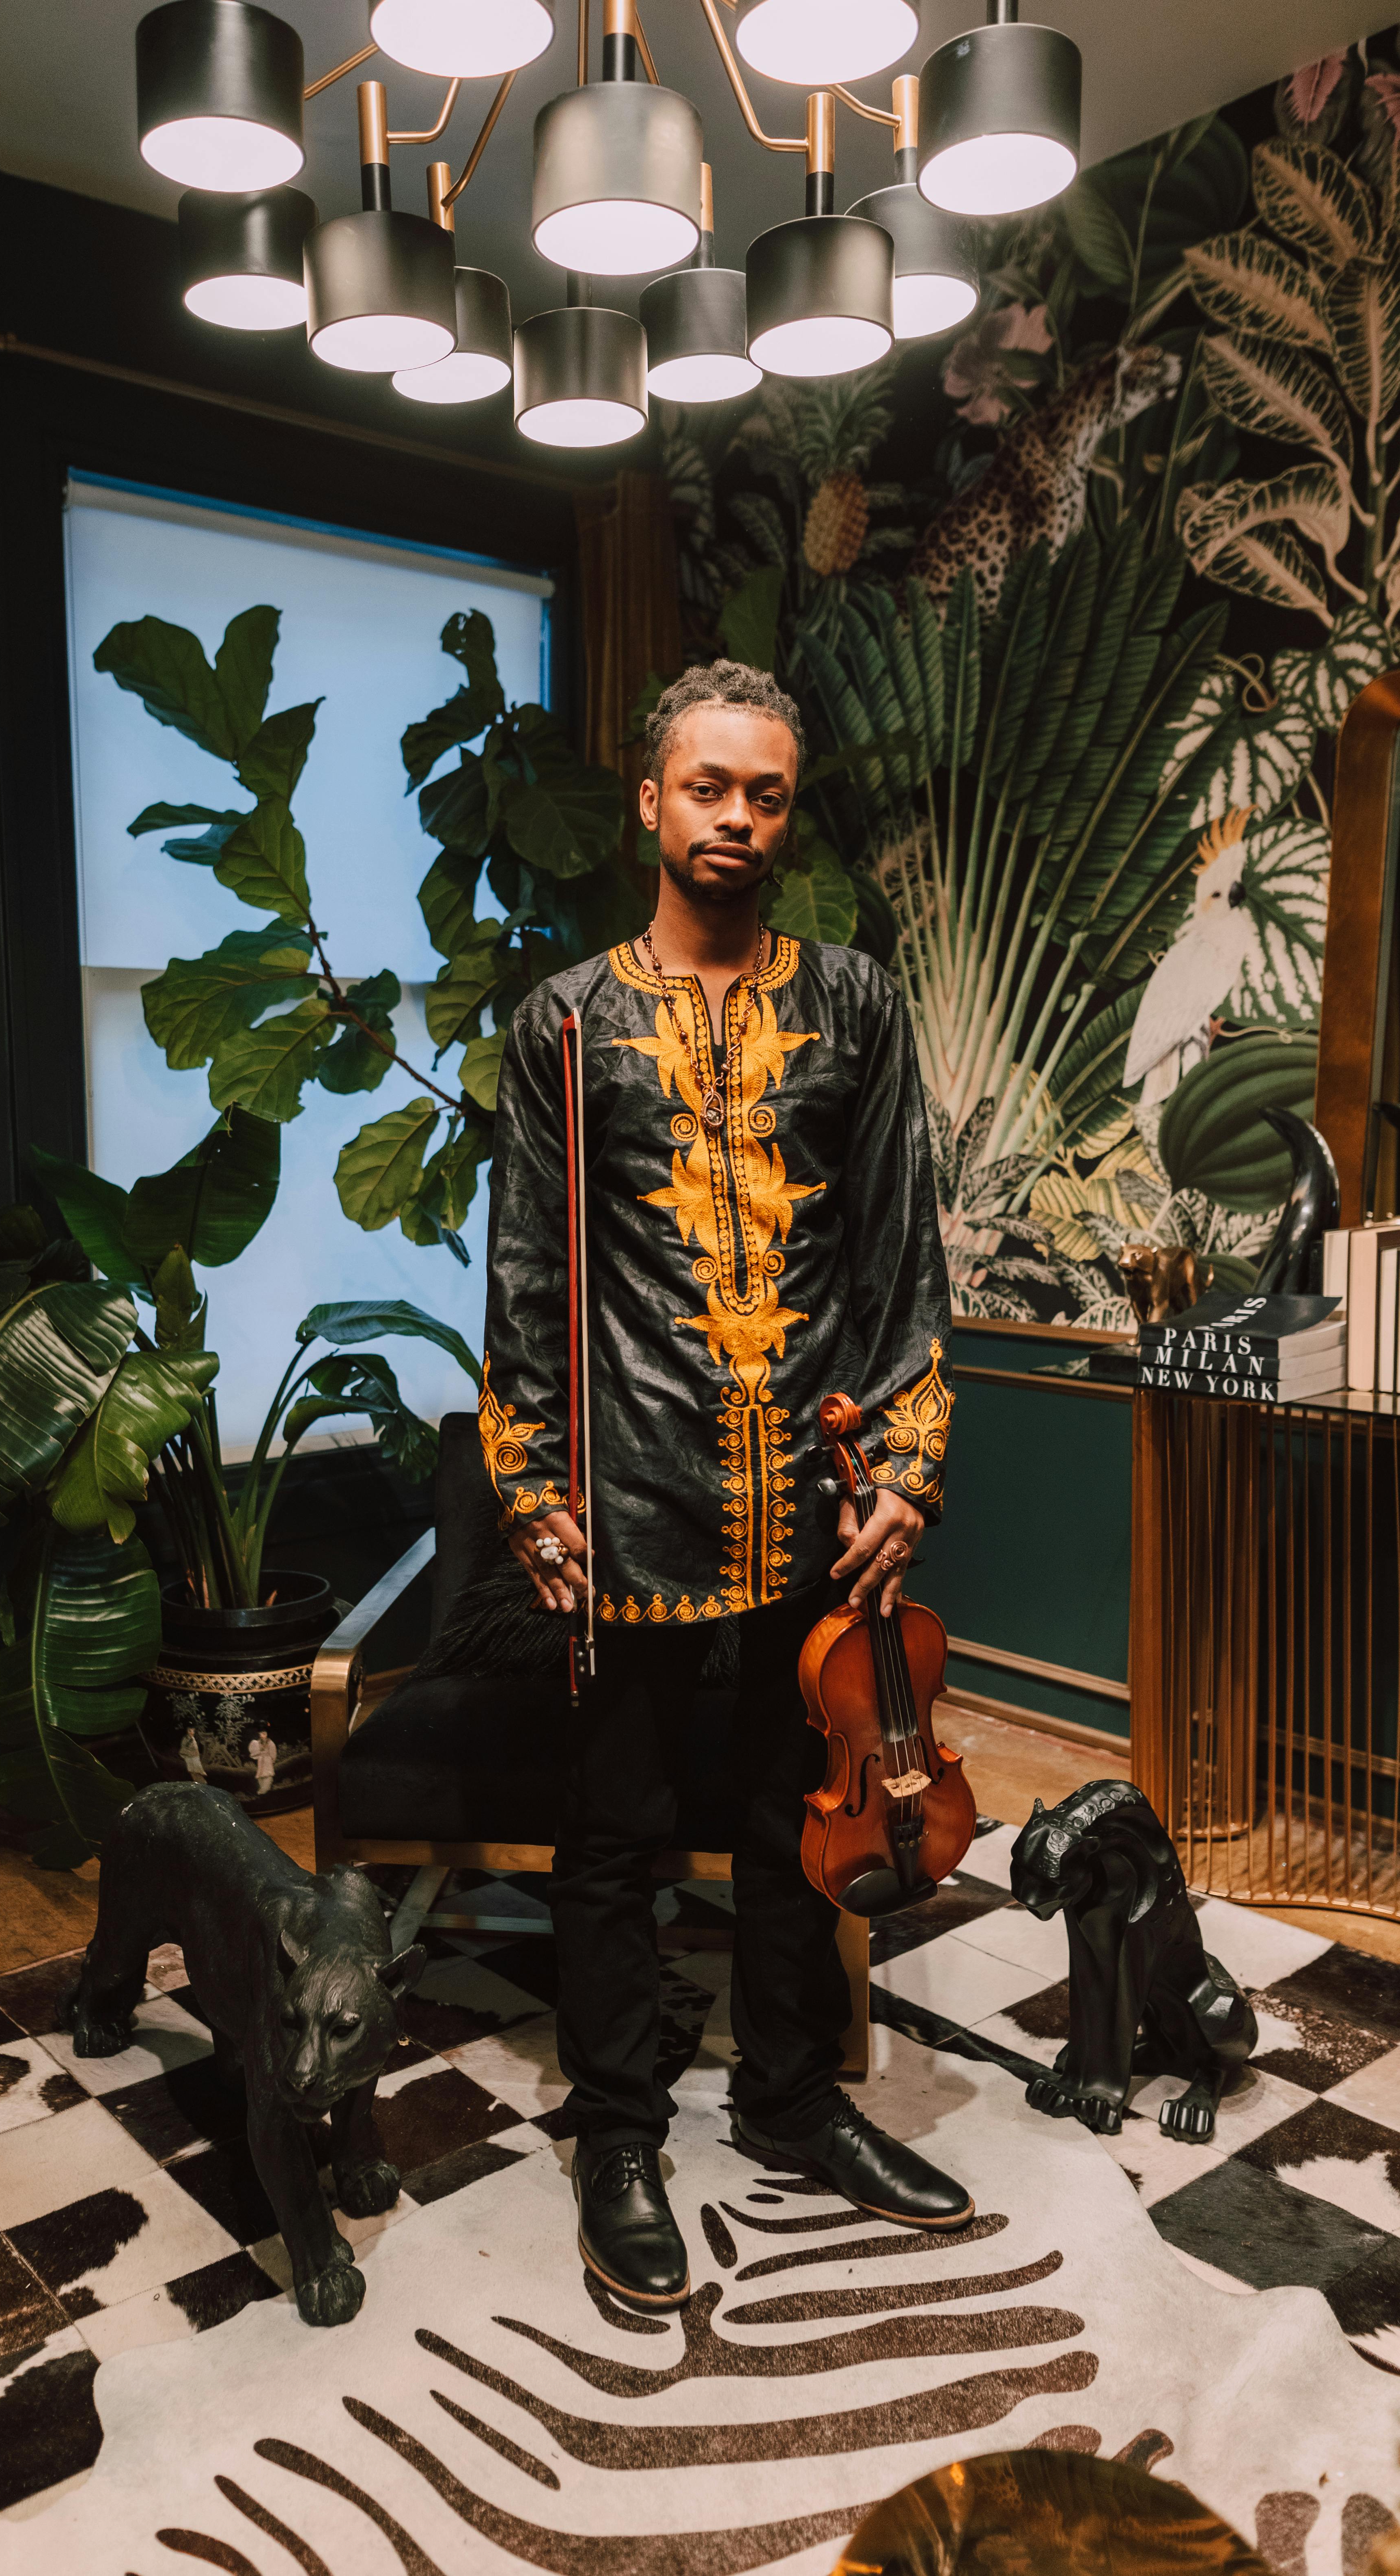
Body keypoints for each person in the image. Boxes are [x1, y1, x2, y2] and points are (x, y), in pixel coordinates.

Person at [478, 659, 971, 2310]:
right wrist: (531, 1479)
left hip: (814, 1498)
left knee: (788, 1815)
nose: (736, 819)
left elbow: (902, 1253)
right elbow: (528, 1279)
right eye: (707, 787)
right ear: (648, 800)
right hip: (629, 1499)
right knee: (612, 1827)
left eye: (763, 792)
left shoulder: (855, 1006)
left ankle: (789, 2099)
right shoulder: (560, 1023)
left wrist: (905, 1464)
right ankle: (616, 2130)